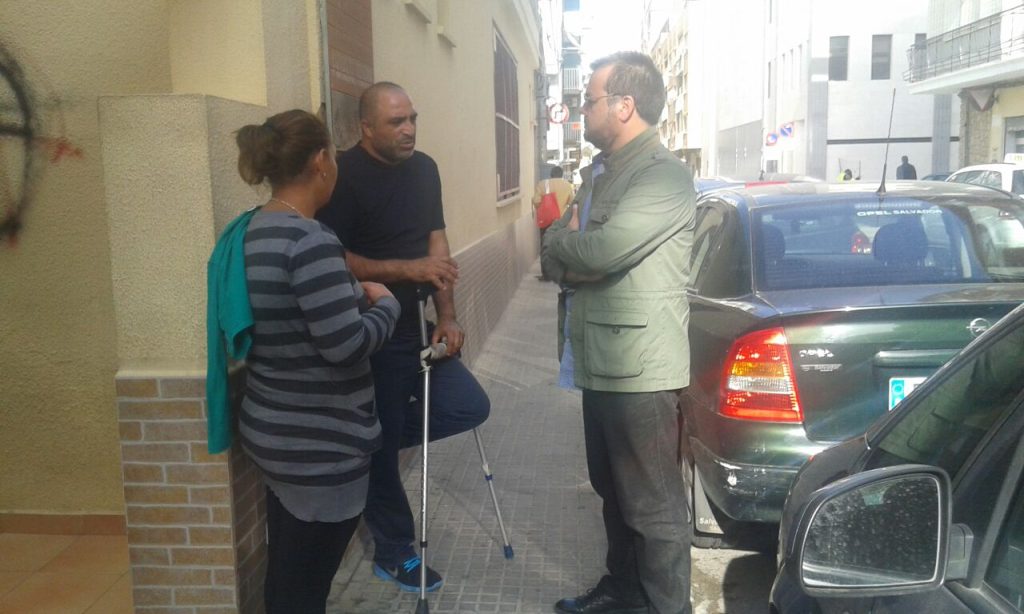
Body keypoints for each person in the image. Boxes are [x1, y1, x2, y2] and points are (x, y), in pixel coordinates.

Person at [316, 81, 490, 593]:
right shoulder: (342, 175)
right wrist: (406, 269)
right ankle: (393, 551)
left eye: (412, 118)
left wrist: (449, 316)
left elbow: (437, 244)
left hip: (418, 325)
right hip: (375, 327)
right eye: (396, 122)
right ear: (365, 128)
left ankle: (367, 447)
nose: (409, 128)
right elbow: (336, 255)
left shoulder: (425, 169)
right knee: (383, 443)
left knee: (468, 406)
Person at [541, 52, 696, 614]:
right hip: (600, 359)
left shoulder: (662, 176)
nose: (583, 110)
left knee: (652, 508)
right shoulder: (601, 173)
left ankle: (662, 607)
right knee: (614, 495)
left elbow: (601, 251)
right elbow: (560, 247)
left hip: (641, 372)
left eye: (590, 100)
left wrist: (567, 250)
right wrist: (567, 250)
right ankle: (623, 593)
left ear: (624, 105)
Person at [229, 110, 400, 614]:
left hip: (272, 432)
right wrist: (385, 303)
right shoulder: (311, 241)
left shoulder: (253, 230)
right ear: (322, 161)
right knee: (305, 590)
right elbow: (345, 345)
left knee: (287, 575)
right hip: (319, 448)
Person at [532, 166, 575, 280]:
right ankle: (560, 272)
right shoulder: (567, 185)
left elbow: (536, 201)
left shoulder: (542, 184)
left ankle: (546, 275)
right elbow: (572, 202)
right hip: (561, 221)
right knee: (561, 245)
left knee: (545, 245)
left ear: (551, 174)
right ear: (561, 175)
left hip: (546, 221)